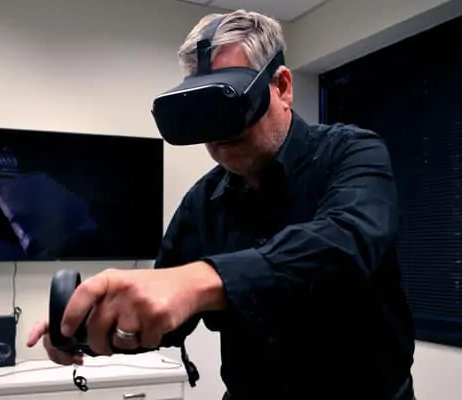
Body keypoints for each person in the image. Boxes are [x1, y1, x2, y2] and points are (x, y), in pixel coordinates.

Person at [27, 9, 416, 400]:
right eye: (202, 110)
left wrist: (200, 281)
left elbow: (347, 242)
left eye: (229, 101)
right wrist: (92, 326)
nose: (217, 130)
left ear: (281, 87)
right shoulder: (202, 203)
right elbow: (167, 317)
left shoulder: (350, 152)